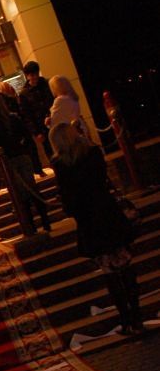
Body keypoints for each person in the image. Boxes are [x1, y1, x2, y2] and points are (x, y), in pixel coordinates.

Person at [50, 123, 143, 335]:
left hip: (89, 220)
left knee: (110, 272)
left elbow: (67, 195)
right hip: (108, 213)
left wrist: (71, 208)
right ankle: (136, 315)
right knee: (125, 266)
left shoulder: (61, 163)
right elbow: (102, 179)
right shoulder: (92, 152)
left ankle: (126, 319)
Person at [0, 94, 51, 235]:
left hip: (8, 161)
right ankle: (45, 222)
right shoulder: (14, 118)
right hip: (22, 156)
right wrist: (25, 150)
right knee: (32, 189)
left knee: (20, 194)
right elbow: (26, 136)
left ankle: (30, 226)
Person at [18, 60, 54, 160]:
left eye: (35, 74)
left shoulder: (48, 84)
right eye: (31, 75)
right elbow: (27, 115)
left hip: (55, 120)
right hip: (41, 127)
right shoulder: (24, 94)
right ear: (27, 76)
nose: (34, 77)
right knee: (50, 152)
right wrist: (36, 132)